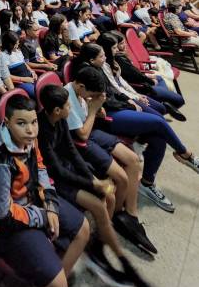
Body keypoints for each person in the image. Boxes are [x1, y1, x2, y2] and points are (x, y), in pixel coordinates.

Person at [38, 85, 158, 287]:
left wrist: (94, 181)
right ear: (56, 110)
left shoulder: (60, 120)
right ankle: (119, 259)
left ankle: (99, 247)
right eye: (67, 105)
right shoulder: (42, 131)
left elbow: (72, 152)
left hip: (70, 171)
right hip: (57, 180)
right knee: (98, 205)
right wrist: (93, 183)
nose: (70, 107)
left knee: (110, 196)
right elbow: (57, 170)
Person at [0, 95, 89, 287]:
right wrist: (43, 216)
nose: (31, 130)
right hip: (10, 223)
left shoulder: (29, 139)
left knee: (83, 229)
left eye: (34, 122)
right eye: (21, 123)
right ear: (7, 123)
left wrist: (50, 204)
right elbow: (3, 214)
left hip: (33, 200)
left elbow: (40, 167)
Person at [72, 43, 199, 213]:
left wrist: (130, 98)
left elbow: (115, 91)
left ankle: (147, 183)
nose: (107, 56)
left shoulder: (102, 67)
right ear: (91, 60)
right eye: (102, 55)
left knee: (158, 137)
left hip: (118, 106)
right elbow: (106, 101)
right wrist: (129, 104)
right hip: (108, 116)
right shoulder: (87, 75)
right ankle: (186, 154)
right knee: (159, 122)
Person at [65, 66, 156, 254]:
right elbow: (82, 135)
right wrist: (93, 110)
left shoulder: (83, 93)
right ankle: (116, 218)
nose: (93, 97)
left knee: (134, 161)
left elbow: (95, 116)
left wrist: (98, 110)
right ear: (81, 87)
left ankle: (130, 215)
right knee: (121, 178)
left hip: (94, 133)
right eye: (92, 94)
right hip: (82, 142)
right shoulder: (68, 98)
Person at [1, 31, 36, 98]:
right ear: (9, 45)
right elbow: (7, 76)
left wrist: (32, 71)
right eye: (16, 44)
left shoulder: (18, 51)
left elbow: (24, 63)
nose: (17, 45)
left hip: (30, 78)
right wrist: (24, 79)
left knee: (43, 89)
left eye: (18, 43)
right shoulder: (3, 55)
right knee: (36, 93)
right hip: (20, 82)